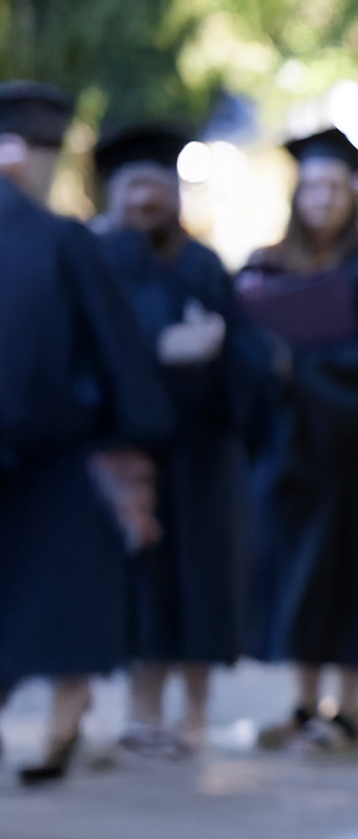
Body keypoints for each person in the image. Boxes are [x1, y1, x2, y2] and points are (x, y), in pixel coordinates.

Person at [0, 81, 174, 784]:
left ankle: (64, 722)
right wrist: (135, 435)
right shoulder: (66, 241)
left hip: (49, 460)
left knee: (44, 596)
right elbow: (119, 354)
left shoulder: (65, 239)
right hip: (59, 455)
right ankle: (63, 724)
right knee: (60, 599)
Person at [91, 124, 275, 758]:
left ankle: (195, 714)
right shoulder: (93, 261)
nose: (146, 199)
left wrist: (218, 352)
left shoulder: (200, 263)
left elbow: (249, 354)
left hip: (201, 454)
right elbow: (79, 356)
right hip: (126, 456)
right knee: (138, 585)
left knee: (201, 581)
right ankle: (141, 714)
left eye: (157, 185)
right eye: (133, 185)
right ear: (113, 194)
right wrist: (157, 353)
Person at [240, 127, 358, 751]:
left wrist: (301, 367)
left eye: (333, 187)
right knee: (300, 573)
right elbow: (249, 353)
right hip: (295, 451)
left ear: (352, 197)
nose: (320, 199)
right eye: (310, 186)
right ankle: (304, 703)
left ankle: (351, 710)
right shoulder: (266, 266)